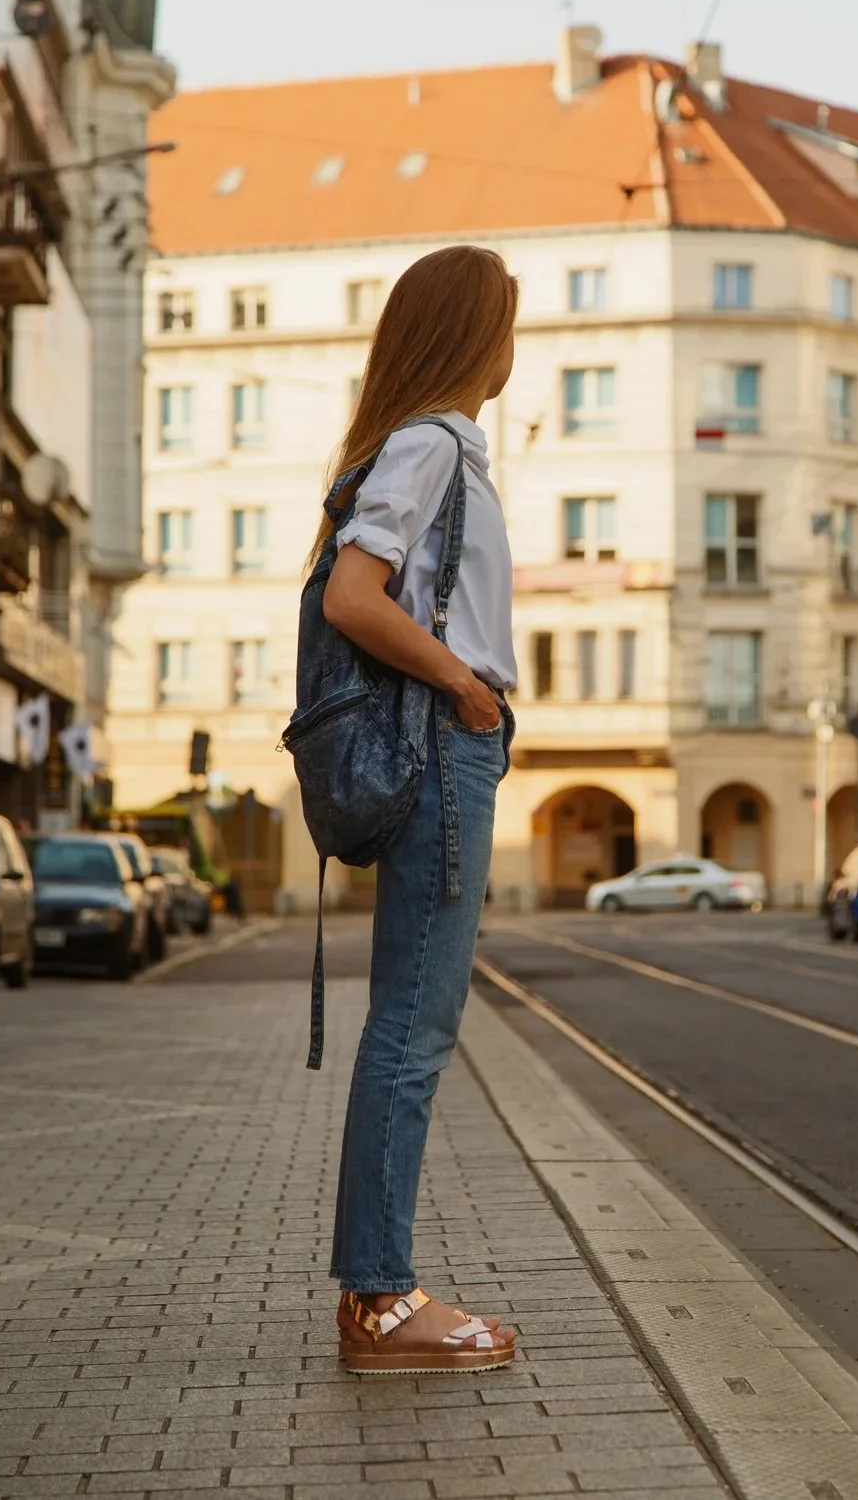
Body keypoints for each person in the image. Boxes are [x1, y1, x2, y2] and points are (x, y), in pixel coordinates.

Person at [313, 244, 519, 1375]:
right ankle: (382, 1301)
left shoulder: (426, 445)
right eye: (504, 322)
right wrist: (464, 688)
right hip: (443, 743)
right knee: (414, 1027)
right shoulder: (433, 443)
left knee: (409, 1022)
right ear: (469, 334)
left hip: (448, 743)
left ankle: (376, 1292)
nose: (511, 346)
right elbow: (356, 595)